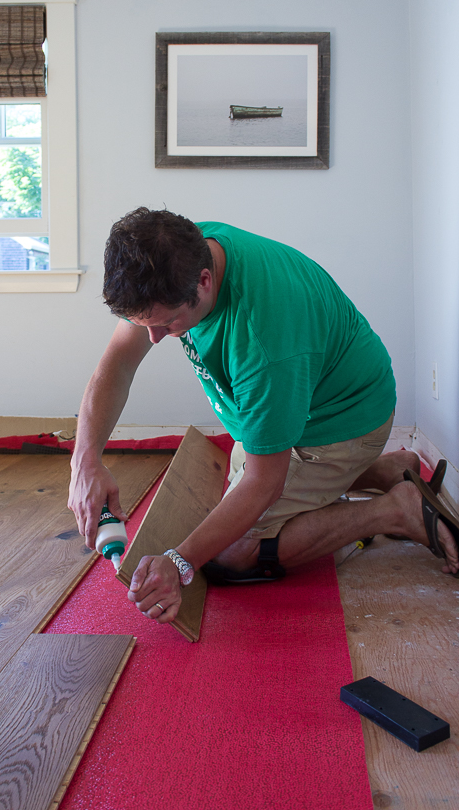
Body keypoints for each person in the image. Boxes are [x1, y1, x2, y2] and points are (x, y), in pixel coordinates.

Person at [68, 208, 459, 625]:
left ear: (204, 281)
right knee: (229, 505)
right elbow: (118, 364)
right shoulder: (175, 253)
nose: (154, 338)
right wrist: (85, 461)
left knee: (229, 554)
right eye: (143, 323)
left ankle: (396, 509)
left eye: (168, 324)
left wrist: (179, 562)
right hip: (307, 405)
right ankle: (383, 470)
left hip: (339, 424)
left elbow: (263, 482)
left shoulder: (263, 341)